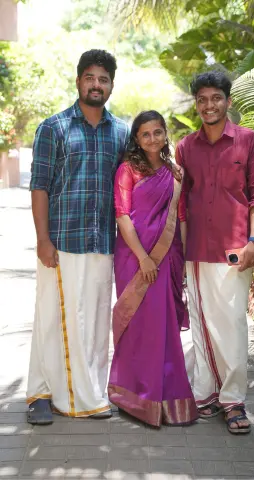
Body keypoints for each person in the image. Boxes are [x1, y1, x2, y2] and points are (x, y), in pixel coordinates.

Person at [26, 49, 129, 424]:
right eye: (90, 77)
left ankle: (91, 390)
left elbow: (130, 185)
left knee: (96, 320)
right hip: (61, 240)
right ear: (78, 82)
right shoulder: (53, 128)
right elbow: (40, 187)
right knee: (52, 316)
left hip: (102, 241)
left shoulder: (121, 131)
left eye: (103, 79)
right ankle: (42, 393)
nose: (96, 84)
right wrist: (42, 239)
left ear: (111, 85)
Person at [176, 71, 254, 434]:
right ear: (196, 104)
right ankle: (206, 393)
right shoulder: (186, 147)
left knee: (230, 325)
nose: (209, 105)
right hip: (196, 248)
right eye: (202, 99)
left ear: (228, 101)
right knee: (201, 325)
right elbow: (181, 200)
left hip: (235, 248)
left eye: (216, 98)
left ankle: (233, 400)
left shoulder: (250, 142)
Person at [108, 110, 198, 427]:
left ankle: (169, 398)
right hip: (135, 259)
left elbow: (182, 217)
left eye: (157, 132)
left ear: (165, 134)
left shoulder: (175, 173)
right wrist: (144, 257)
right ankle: (134, 396)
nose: (152, 139)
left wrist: (183, 260)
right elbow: (122, 216)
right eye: (145, 134)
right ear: (136, 138)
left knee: (165, 328)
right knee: (139, 326)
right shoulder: (128, 170)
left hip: (168, 256)